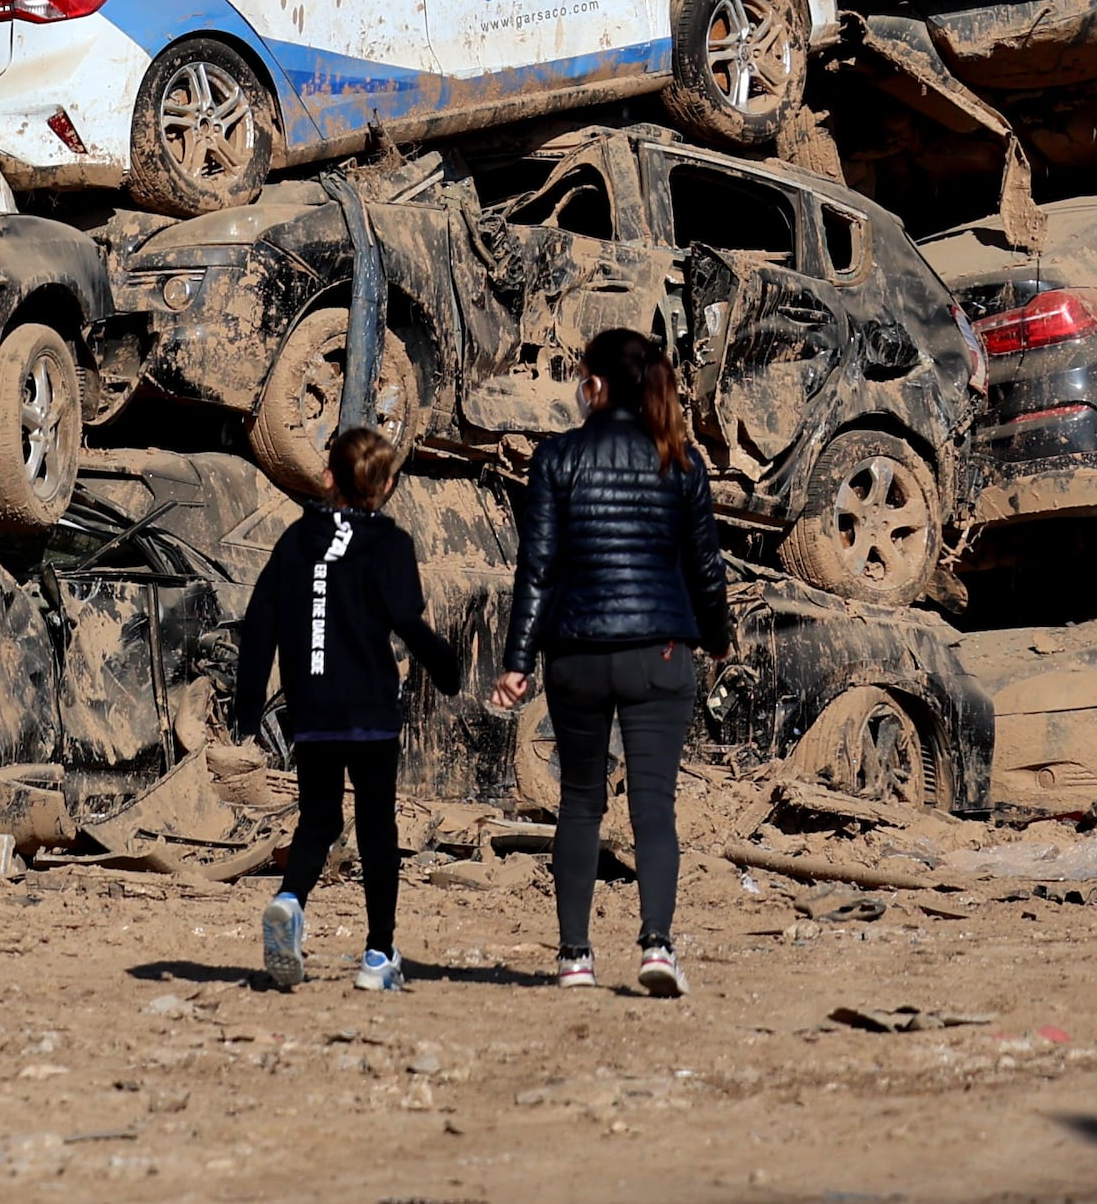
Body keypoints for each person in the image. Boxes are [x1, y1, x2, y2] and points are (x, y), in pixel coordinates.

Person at [487, 326, 731, 995]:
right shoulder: (679, 459)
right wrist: (717, 635)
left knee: (580, 803)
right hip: (660, 650)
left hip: (577, 654)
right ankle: (655, 944)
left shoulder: (556, 456)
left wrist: (517, 660)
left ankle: (574, 957)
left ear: (595, 382)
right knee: (654, 807)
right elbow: (707, 569)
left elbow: (535, 568)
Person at [231, 419, 466, 993]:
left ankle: (290, 899)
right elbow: (407, 619)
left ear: (328, 475)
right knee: (376, 828)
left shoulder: (295, 541)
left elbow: (260, 622)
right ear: (385, 487)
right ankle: (378, 957)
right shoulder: (390, 544)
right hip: (369, 709)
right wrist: (447, 667)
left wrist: (246, 707)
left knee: (319, 818)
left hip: (311, 706)